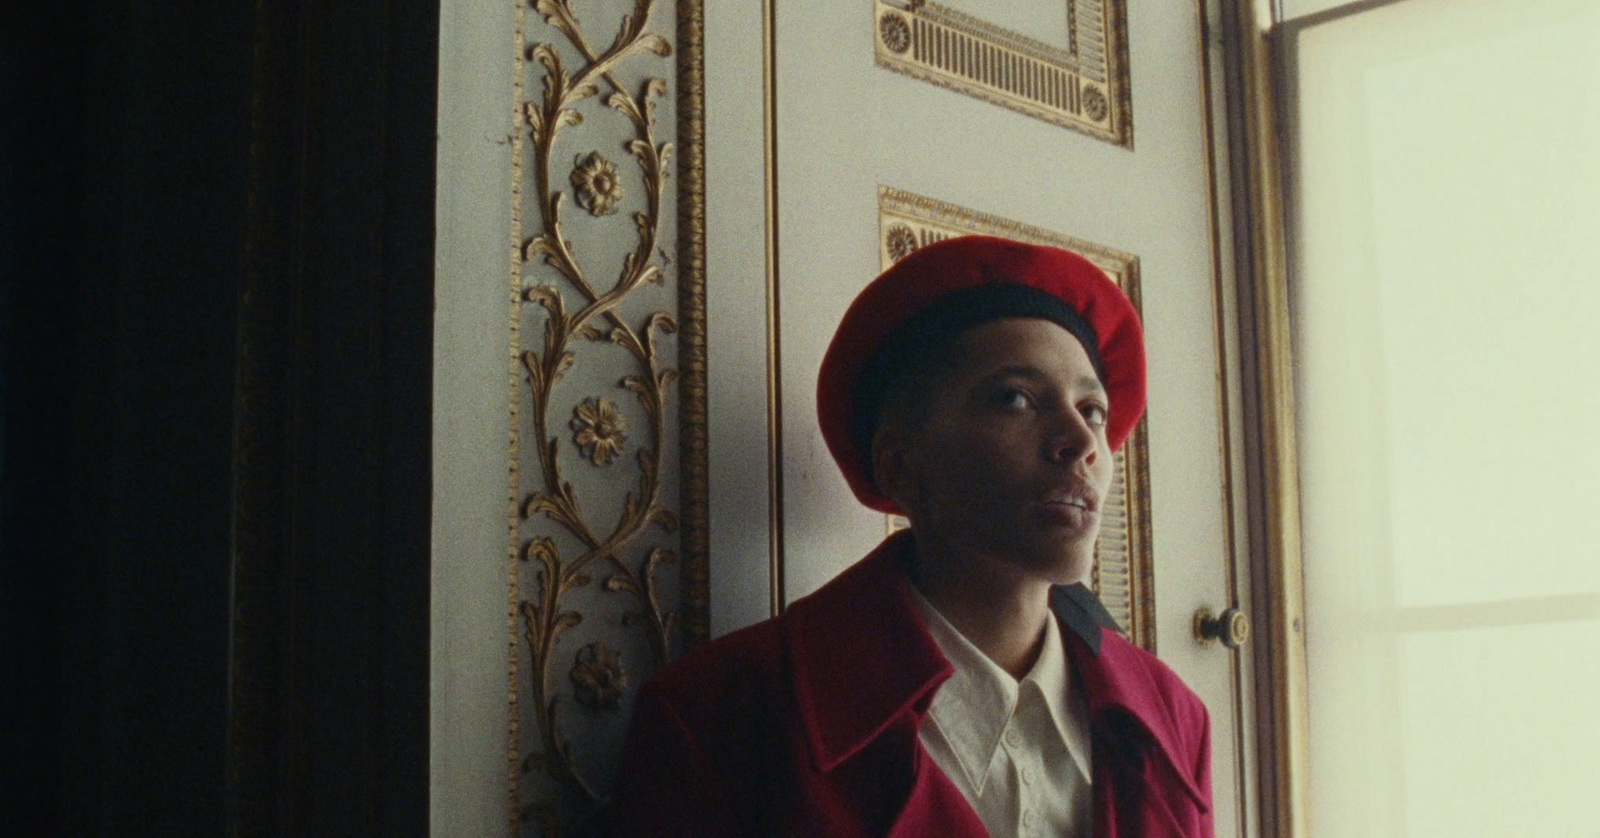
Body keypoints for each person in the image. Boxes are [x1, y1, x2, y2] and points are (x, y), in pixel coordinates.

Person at [609, 235, 1213, 836]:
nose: (1081, 443)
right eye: (1015, 399)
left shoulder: (1172, 718)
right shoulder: (725, 714)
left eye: (1093, 410)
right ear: (899, 464)